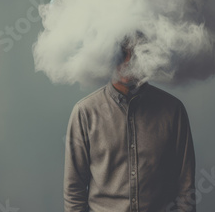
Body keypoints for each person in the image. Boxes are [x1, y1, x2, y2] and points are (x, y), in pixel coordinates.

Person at [64, 36, 196, 212]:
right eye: (120, 53)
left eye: (136, 53)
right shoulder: (84, 112)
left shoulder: (173, 111)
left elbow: (186, 187)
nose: (128, 61)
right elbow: (74, 190)